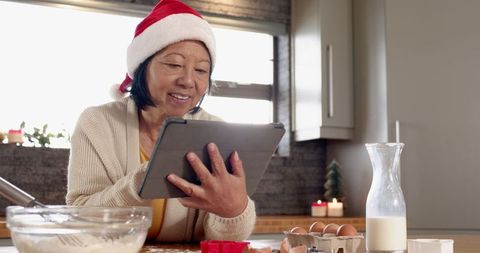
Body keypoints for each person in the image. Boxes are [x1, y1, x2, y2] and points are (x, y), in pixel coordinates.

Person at [66, 0, 256, 242]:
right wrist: (140, 183)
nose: (188, 81)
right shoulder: (97, 123)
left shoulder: (216, 134)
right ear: (142, 67)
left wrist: (233, 210)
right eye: (174, 64)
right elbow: (81, 219)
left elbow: (226, 242)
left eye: (201, 70)